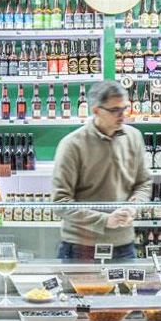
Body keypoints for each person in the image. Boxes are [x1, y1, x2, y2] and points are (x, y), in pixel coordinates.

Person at [50, 80, 151, 261]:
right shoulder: (72, 144)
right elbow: (60, 202)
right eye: (114, 110)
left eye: (125, 108)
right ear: (96, 110)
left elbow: (143, 183)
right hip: (81, 247)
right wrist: (104, 220)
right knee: (79, 291)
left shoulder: (134, 137)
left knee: (127, 290)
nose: (122, 115)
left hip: (124, 245)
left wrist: (133, 207)